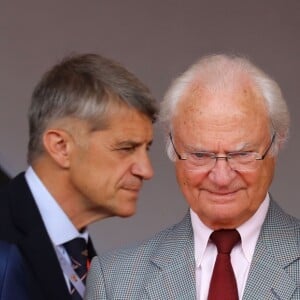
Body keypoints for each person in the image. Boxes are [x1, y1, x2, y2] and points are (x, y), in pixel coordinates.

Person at [85, 54, 300, 299]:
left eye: (241, 154)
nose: (221, 177)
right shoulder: (114, 281)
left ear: (278, 142)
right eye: (200, 155)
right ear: (172, 146)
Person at [0, 53, 158, 300]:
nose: (146, 170)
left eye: (145, 149)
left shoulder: (83, 259)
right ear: (61, 147)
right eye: (127, 148)